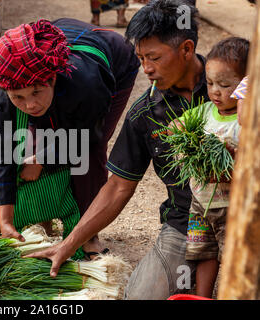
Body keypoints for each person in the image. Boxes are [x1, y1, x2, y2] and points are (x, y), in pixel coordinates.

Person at [28, 0, 209, 299]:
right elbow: (117, 187)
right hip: (185, 223)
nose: (146, 70)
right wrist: (69, 244)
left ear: (186, 49)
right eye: (140, 58)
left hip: (242, 213)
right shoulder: (145, 114)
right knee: (139, 296)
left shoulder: (234, 87)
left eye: (154, 57)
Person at [0, 18, 140, 259]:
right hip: (65, 48)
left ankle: (88, 234)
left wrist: (43, 160)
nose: (30, 104)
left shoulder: (88, 86)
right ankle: (43, 215)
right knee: (33, 138)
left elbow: (86, 138)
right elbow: (2, 152)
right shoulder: (8, 90)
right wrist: (6, 221)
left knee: (89, 154)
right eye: (18, 98)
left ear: (53, 79)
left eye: (36, 92)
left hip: (113, 60)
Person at [170, 37, 248, 298]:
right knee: (203, 253)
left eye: (225, 85)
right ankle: (201, 296)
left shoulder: (246, 122)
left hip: (232, 206)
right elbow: (174, 128)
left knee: (232, 257)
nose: (215, 91)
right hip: (200, 203)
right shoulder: (203, 112)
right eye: (211, 83)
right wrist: (183, 134)